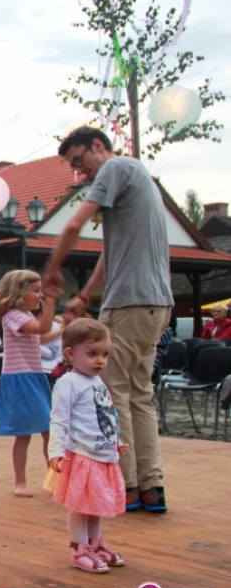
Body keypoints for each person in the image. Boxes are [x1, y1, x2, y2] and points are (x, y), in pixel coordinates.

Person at [47, 127, 172, 514]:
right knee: (139, 392)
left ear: (97, 146)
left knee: (111, 391)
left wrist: (53, 269)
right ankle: (151, 485)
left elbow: (71, 225)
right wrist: (85, 295)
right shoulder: (138, 177)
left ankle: (127, 485)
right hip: (155, 303)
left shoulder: (114, 168)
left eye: (79, 161)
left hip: (131, 301)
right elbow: (109, 255)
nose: (79, 172)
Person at [48, 319, 127, 573]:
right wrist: (56, 451)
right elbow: (59, 419)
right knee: (81, 505)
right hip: (82, 454)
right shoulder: (68, 383)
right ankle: (78, 548)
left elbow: (105, 414)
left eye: (104, 354)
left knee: (97, 504)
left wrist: (116, 440)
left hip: (103, 454)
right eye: (92, 354)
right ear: (70, 354)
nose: (100, 361)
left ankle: (95, 543)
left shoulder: (96, 382)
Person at [0, 270, 58, 498]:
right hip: (20, 377)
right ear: (19, 292)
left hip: (34, 376)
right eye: (36, 291)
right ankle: (20, 481)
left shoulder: (25, 315)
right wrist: (52, 303)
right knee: (25, 434)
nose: (40, 295)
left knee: (49, 431)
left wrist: (65, 328)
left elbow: (41, 337)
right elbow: (42, 329)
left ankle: (53, 478)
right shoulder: (13, 315)